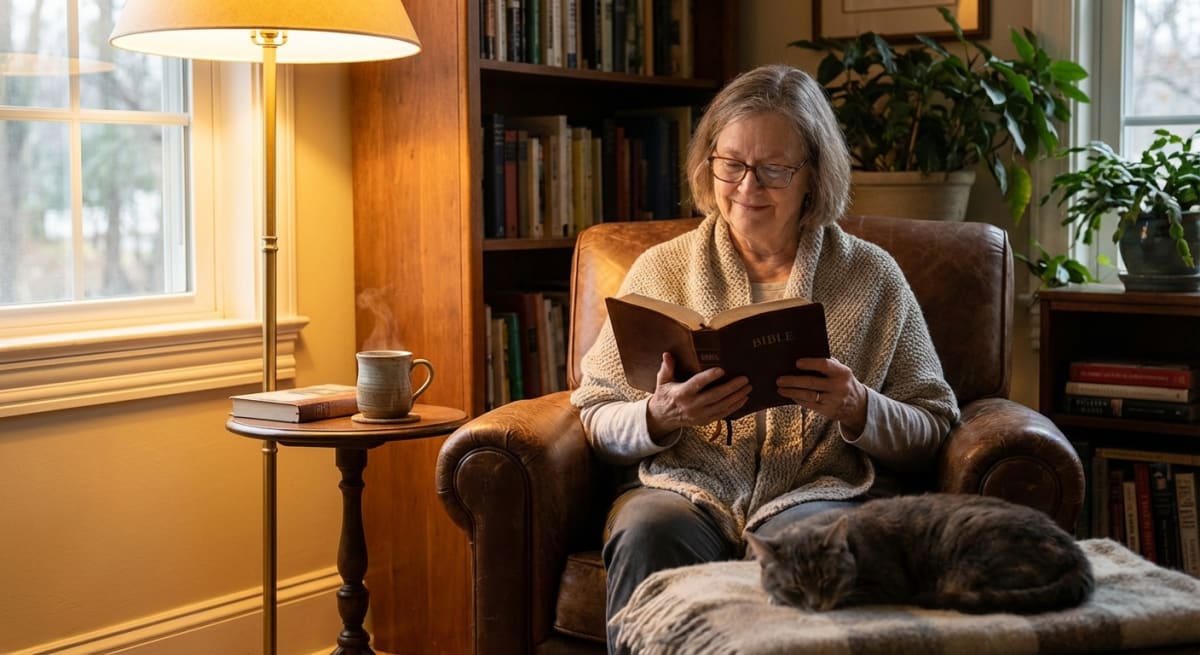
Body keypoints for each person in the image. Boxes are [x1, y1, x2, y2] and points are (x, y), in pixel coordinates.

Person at [569, 64, 961, 652]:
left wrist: (859, 408)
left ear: (813, 177)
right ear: (709, 162)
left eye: (774, 169)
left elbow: (934, 425)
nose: (747, 188)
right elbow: (595, 414)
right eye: (731, 164)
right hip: (684, 489)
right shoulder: (660, 270)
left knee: (813, 544)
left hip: (820, 492)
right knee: (645, 529)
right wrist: (659, 416)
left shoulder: (872, 276)